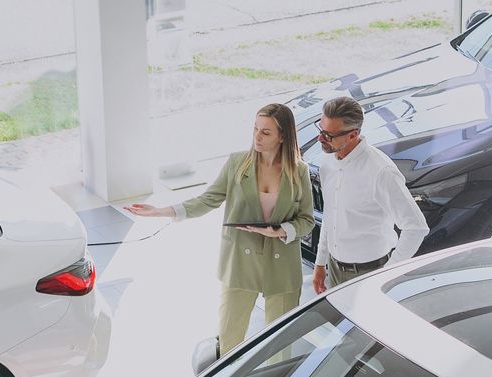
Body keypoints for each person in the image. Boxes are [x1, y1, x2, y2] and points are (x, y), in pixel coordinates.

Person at [128, 103, 317, 350]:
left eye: (266, 132)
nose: (257, 137)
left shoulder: (298, 171)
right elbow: (208, 199)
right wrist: (162, 211)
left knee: (279, 345)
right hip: (240, 263)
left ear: (283, 136)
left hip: (282, 267)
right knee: (230, 339)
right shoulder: (237, 163)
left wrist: (281, 231)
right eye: (255, 129)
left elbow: (306, 220)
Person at [313, 95, 427, 294]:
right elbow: (331, 214)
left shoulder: (381, 172)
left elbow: (416, 227)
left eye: (328, 135)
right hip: (334, 268)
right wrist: (320, 262)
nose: (320, 139)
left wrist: (386, 275)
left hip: (370, 273)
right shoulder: (328, 162)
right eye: (321, 130)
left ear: (352, 135)